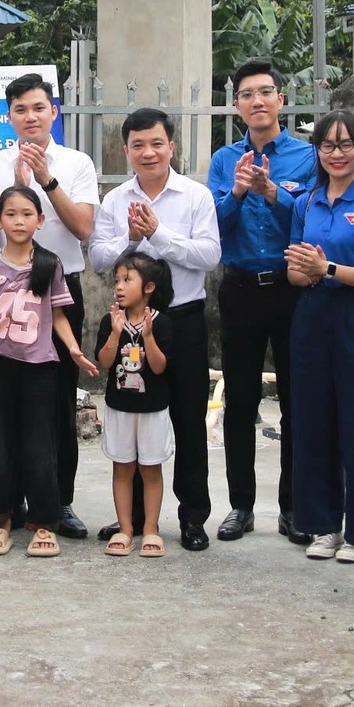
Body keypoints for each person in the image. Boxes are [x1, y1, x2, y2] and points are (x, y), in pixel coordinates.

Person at [0, 73, 98, 540]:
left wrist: (46, 180)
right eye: (20, 109)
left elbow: (83, 227)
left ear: (53, 112)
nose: (30, 117)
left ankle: (58, 501)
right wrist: (14, 189)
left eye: (39, 108)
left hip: (58, 290)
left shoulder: (76, 162)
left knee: (57, 402)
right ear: (9, 116)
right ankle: (8, 503)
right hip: (5, 295)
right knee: (5, 404)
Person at [89, 108, 223, 549]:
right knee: (133, 417)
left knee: (187, 419)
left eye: (157, 143)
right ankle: (131, 521)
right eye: (138, 145)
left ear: (172, 147)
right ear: (126, 150)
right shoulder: (115, 201)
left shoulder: (195, 196)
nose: (148, 153)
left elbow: (209, 256)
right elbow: (98, 259)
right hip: (130, 324)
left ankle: (192, 518)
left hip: (181, 321)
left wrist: (158, 234)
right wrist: (130, 238)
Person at [205, 59, 315, 544]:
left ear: (281, 100)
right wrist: (236, 193)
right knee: (240, 402)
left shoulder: (307, 157)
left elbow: (314, 219)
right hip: (241, 289)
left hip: (293, 290)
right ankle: (241, 505)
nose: (257, 101)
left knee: (296, 400)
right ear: (237, 106)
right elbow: (212, 224)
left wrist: (274, 195)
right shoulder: (224, 160)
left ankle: (292, 507)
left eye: (266, 92)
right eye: (247, 94)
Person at [281, 110, 354, 564]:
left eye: (346, 144)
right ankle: (323, 524)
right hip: (311, 315)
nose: (337, 153)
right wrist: (310, 272)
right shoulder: (305, 202)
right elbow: (294, 273)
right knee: (313, 423)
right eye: (328, 145)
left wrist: (326, 268)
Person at [0, 186, 99, 560]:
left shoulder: (50, 264)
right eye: (10, 214)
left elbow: (58, 315)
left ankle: (43, 522)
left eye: (26, 214)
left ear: (40, 221)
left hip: (40, 368)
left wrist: (73, 350)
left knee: (41, 446)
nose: (19, 221)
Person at [95, 251, 175, 559]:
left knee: (151, 468)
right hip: (120, 408)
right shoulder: (110, 321)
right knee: (123, 468)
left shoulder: (162, 323)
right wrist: (115, 334)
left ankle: (151, 529)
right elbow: (104, 362)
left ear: (149, 287)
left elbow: (159, 367)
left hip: (153, 409)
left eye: (127, 280)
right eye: (117, 280)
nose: (119, 286)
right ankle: (126, 529)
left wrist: (148, 337)